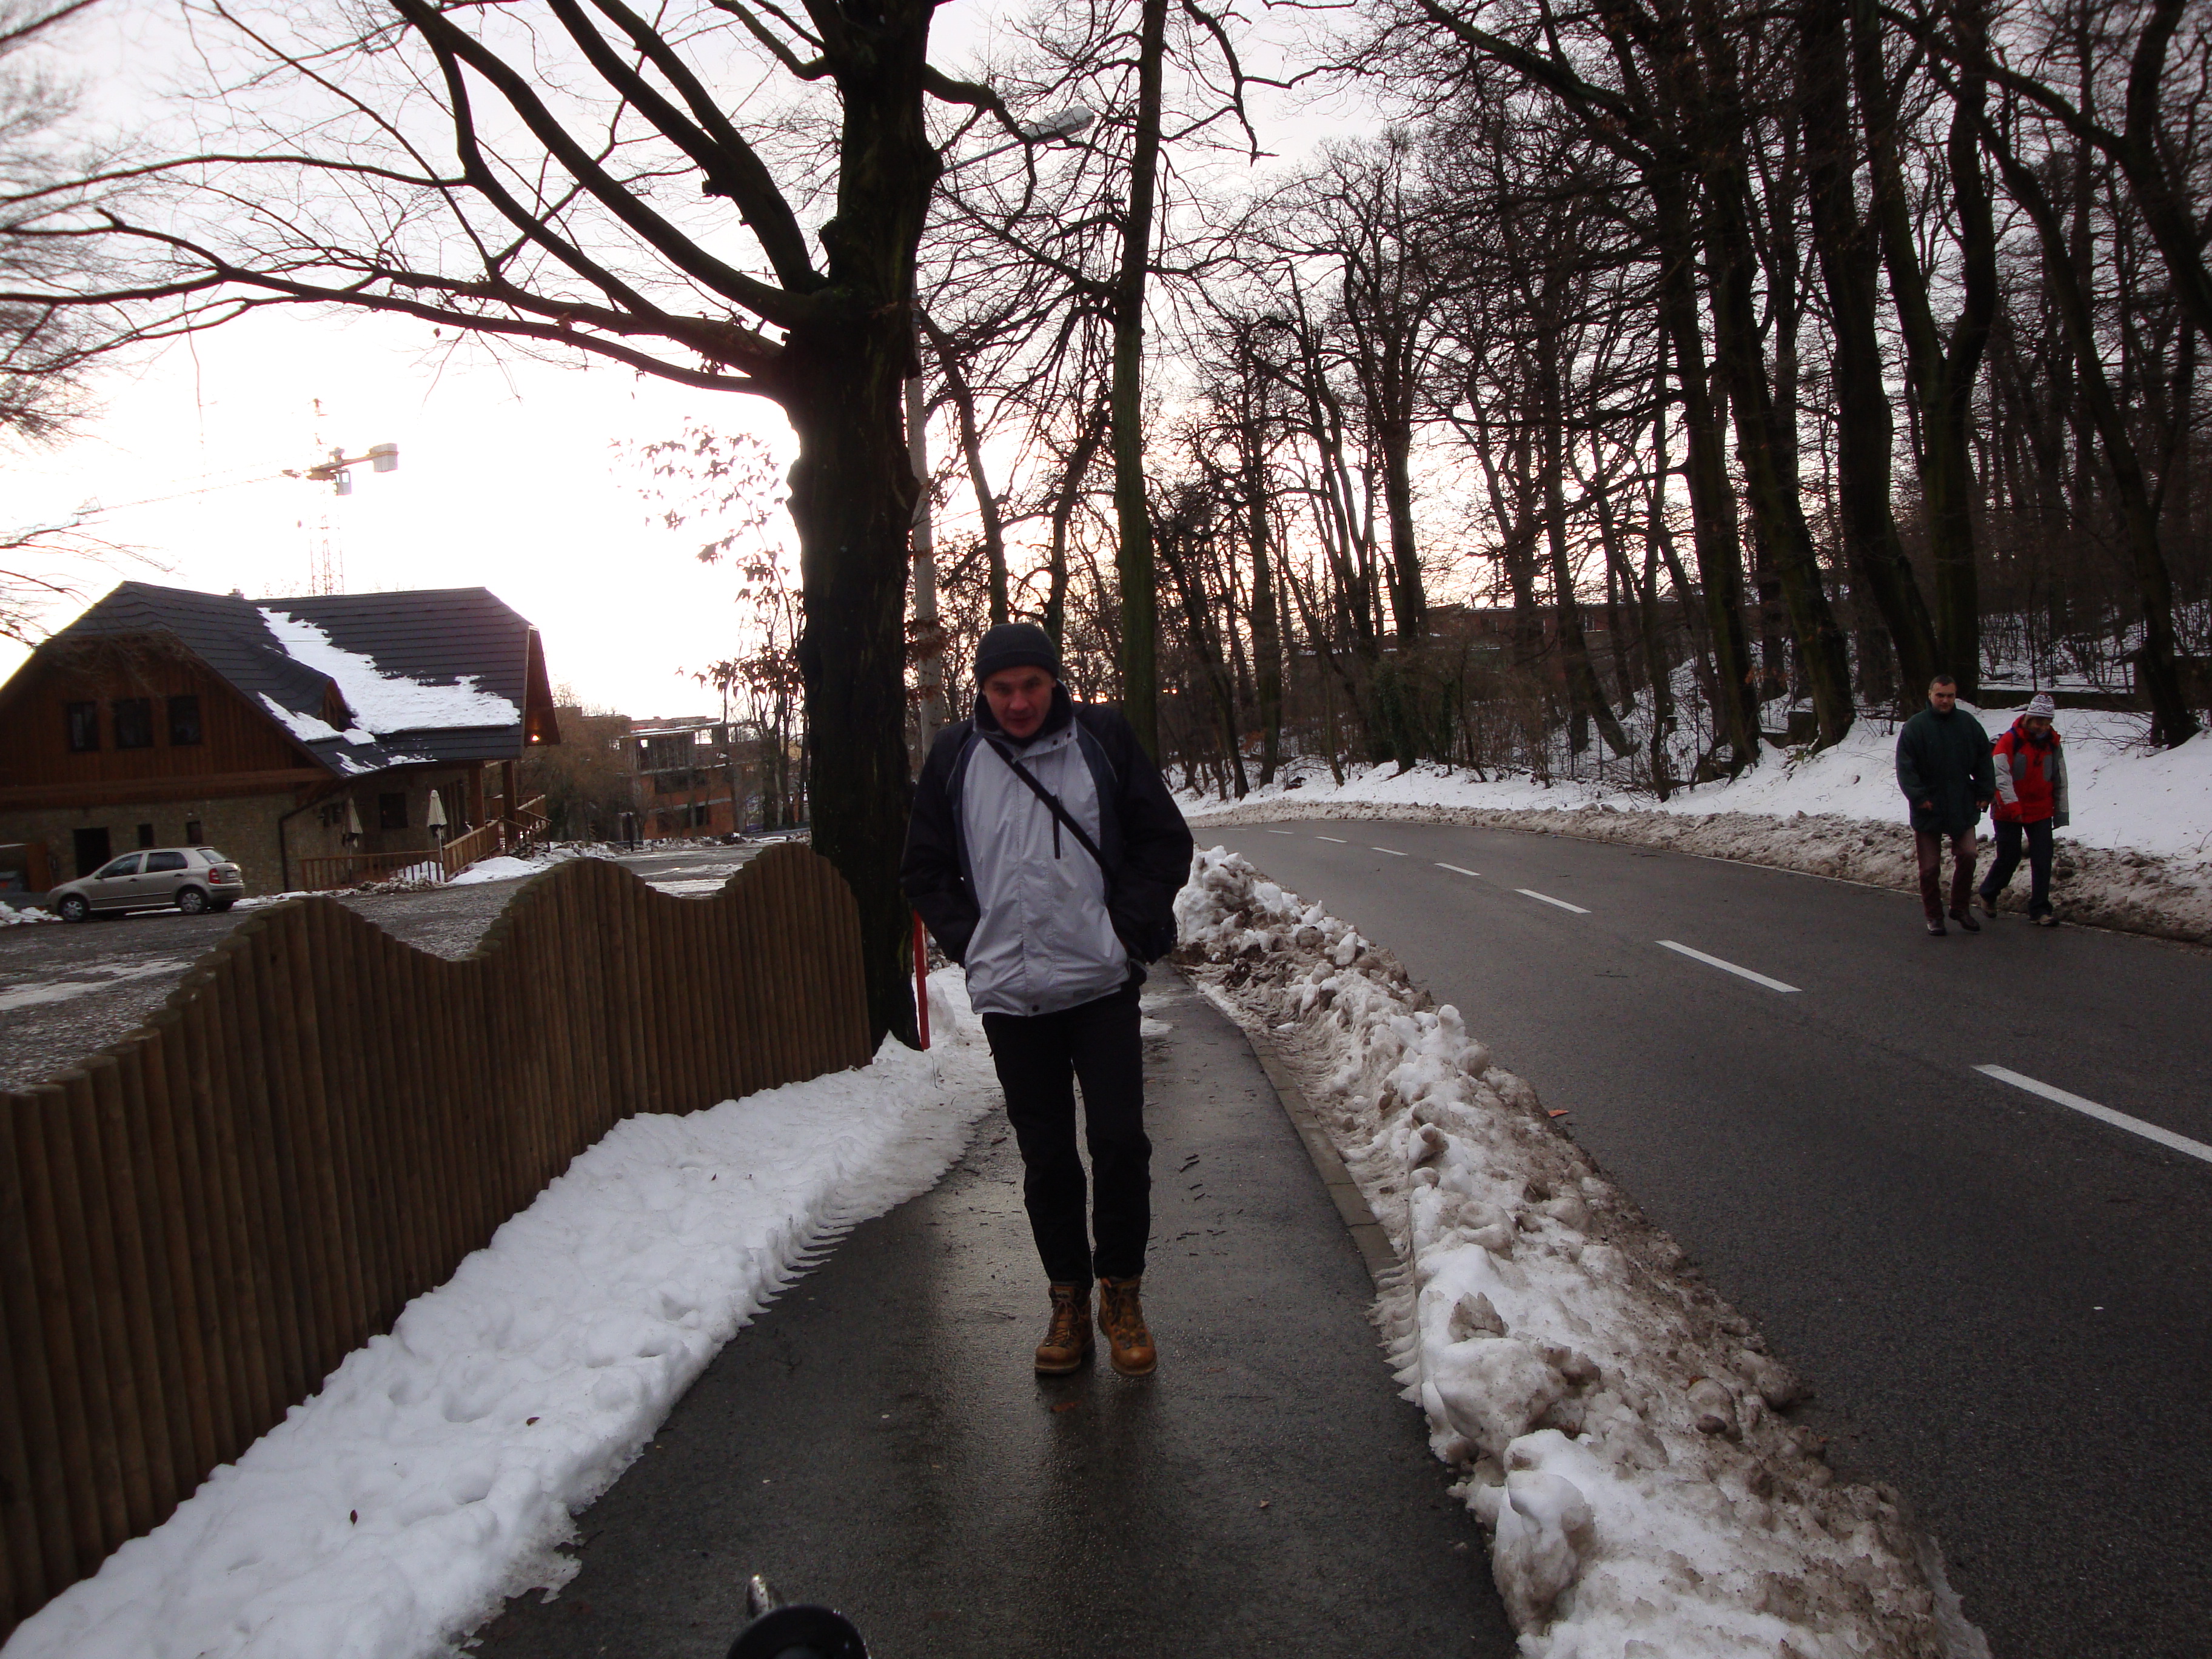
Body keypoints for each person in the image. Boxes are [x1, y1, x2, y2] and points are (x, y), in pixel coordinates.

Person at [902, 622, 1195, 1378]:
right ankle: (1067, 1300)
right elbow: (924, 869)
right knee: (1048, 1157)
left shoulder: (1101, 740)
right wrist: (975, 942)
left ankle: (1122, 1293)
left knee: (1120, 1143)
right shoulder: (955, 756)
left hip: (1100, 984)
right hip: (1012, 997)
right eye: (1002, 688)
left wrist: (1120, 931)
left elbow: (1164, 841)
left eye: (1032, 684)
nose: (1019, 702)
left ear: (1054, 681)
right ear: (982, 691)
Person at [1895, 674, 1996, 937]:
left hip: (1961, 802)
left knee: (1969, 855)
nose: (1945, 700)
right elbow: (1905, 768)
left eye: (1950, 696)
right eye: (1940, 695)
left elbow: (1984, 759)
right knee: (1930, 868)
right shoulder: (1915, 727)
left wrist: (1985, 791)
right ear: (1930, 695)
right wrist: (1918, 797)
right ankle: (1934, 915)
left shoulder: (1968, 724)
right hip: (1928, 805)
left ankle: (1960, 908)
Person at [1979, 692, 2069, 927]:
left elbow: (2059, 777)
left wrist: (2061, 811)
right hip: (2008, 810)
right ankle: (1989, 892)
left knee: (2043, 858)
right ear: (2029, 717)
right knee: (2009, 858)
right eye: (2038, 721)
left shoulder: (2052, 743)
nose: (2042, 726)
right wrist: (2013, 807)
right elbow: (2001, 777)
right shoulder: (2009, 741)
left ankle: (2040, 909)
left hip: (2041, 810)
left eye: (2047, 722)